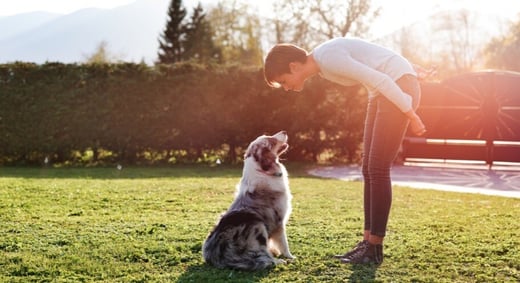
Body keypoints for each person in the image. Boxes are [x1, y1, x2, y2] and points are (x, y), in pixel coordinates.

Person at [263, 37, 426, 265]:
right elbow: (371, 56)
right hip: (383, 92)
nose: (287, 88)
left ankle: (374, 248)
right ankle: (368, 243)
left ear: (293, 66)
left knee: (377, 168)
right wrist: (407, 67)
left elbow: (380, 77)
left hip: (396, 89)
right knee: (369, 168)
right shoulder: (324, 63)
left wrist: (411, 114)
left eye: (284, 81)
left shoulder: (327, 58)